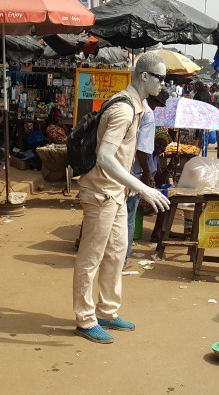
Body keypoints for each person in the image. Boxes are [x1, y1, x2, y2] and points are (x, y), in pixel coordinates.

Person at [73, 51, 170, 344]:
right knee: (91, 257)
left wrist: (131, 186)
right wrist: (143, 187)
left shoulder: (136, 106)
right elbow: (104, 157)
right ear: (144, 76)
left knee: (116, 253)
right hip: (100, 192)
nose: (164, 84)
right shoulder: (124, 110)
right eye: (160, 78)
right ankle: (85, 319)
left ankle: (107, 311)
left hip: (116, 192)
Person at [125, 89, 170, 267]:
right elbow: (142, 150)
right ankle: (124, 257)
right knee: (128, 217)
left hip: (125, 171)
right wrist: (146, 174)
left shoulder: (133, 107)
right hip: (134, 176)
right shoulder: (147, 114)